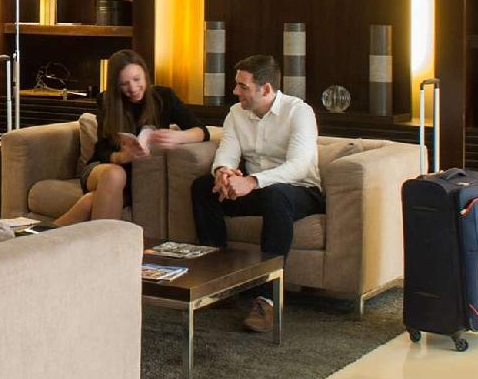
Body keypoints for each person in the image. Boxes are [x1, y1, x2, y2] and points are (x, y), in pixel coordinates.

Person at [192, 53, 322, 333]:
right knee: (203, 188)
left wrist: (252, 181)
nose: (235, 91)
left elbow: (299, 167)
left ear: (266, 89)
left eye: (243, 86)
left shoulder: (299, 112)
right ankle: (221, 283)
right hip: (258, 190)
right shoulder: (236, 113)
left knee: (277, 196)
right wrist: (224, 173)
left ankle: (267, 299)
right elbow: (227, 150)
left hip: (300, 190)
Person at [52, 49, 207, 226]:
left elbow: (202, 131)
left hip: (136, 181)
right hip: (102, 170)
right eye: (124, 84)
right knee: (115, 174)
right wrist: (122, 157)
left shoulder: (164, 98)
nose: (132, 89)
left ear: (145, 75)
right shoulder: (107, 100)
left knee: (91, 201)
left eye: (137, 79)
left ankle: (44, 236)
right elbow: (101, 150)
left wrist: (179, 137)